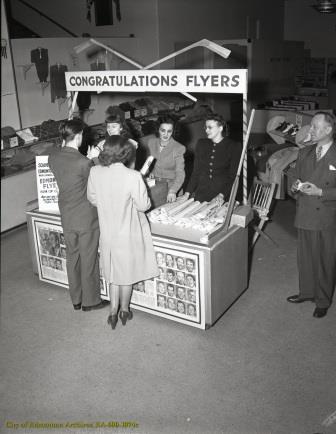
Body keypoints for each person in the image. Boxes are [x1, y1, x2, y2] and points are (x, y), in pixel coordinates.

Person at [87, 135, 159, 330]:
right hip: (127, 232)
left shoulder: (95, 172)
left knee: (113, 273)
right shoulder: (133, 176)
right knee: (125, 275)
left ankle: (112, 312)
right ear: (126, 153)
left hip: (107, 231)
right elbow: (144, 206)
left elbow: (92, 199)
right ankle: (125, 310)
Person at [49, 119, 107, 312]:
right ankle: (91, 301)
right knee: (89, 258)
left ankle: (76, 299)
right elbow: (97, 182)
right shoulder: (84, 163)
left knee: (72, 257)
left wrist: (88, 160)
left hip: (67, 214)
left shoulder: (53, 158)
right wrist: (95, 159)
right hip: (86, 217)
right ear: (79, 135)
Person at [287, 112, 336, 318]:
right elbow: (294, 180)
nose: (311, 130)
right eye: (311, 126)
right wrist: (295, 187)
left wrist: (320, 192)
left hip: (327, 215)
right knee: (305, 257)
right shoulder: (305, 152)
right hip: (305, 212)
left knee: (326, 259)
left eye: (315, 127)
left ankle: (323, 300)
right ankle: (306, 292)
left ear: (328, 130)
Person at [184, 113, 241, 202]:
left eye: (210, 127)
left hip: (223, 194)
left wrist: (222, 195)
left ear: (220, 128)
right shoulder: (201, 144)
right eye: (205, 127)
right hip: (201, 193)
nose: (207, 130)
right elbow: (196, 172)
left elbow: (233, 176)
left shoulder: (233, 146)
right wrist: (187, 193)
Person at [146, 116, 186, 202]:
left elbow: (180, 173)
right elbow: (151, 162)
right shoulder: (151, 142)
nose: (165, 134)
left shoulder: (178, 148)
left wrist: (173, 191)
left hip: (171, 186)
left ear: (173, 132)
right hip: (156, 185)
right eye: (162, 130)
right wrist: (151, 172)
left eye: (169, 131)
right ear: (158, 130)